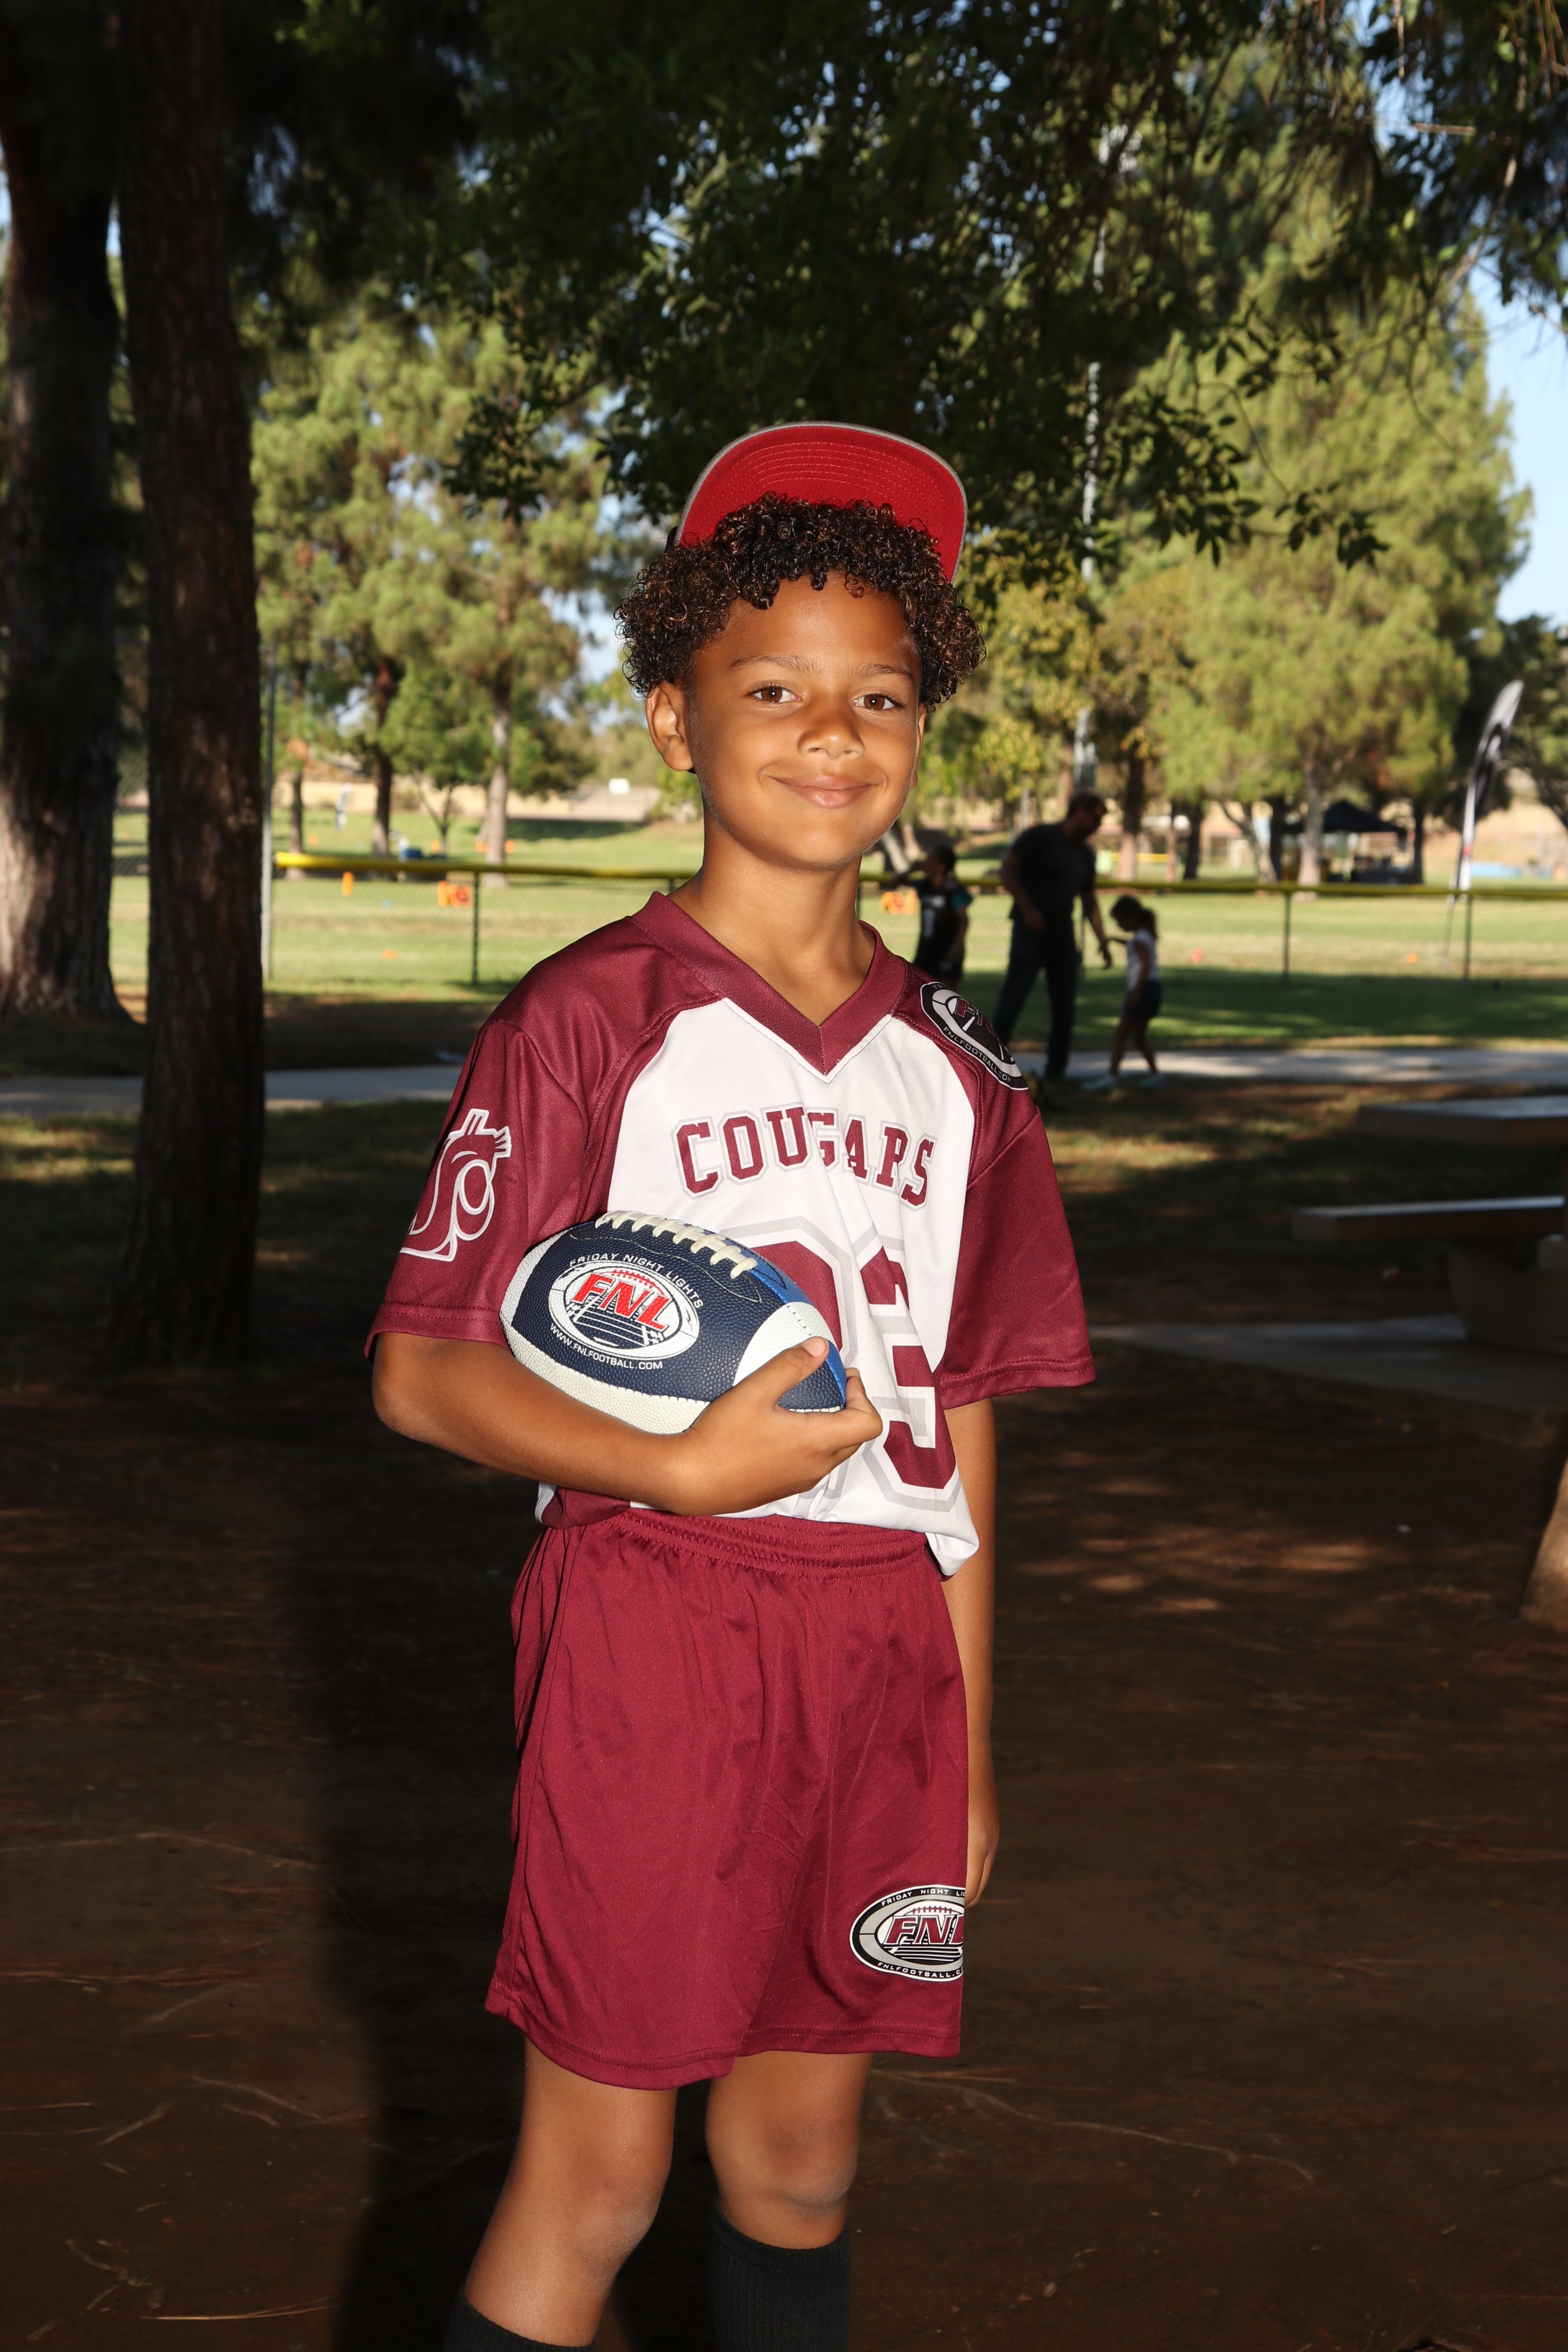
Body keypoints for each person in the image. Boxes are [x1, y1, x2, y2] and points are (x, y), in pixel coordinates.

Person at [368, 422, 1093, 2352]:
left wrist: (972, 1739)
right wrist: (678, 1471)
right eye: (771, 686)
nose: (830, 731)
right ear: (675, 717)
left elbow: (960, 1419)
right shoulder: (585, 1021)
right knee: (598, 2178)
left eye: (880, 693)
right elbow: (422, 1374)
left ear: (925, 725)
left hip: (882, 1648)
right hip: (654, 1623)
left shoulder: (963, 1073)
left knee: (800, 2163)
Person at [992, 790, 1113, 1079]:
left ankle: (1056, 1072)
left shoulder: (1085, 854)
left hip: (1062, 934)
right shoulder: (1041, 837)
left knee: (1065, 1007)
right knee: (1013, 1001)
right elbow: (1008, 871)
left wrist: (1103, 941)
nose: (1098, 826)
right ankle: (991, 1068)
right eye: (1096, 818)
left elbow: (1089, 900)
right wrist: (1029, 910)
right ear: (1080, 810)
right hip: (1030, 932)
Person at [1084, 893, 1164, 1091]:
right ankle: (1156, 1075)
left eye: (1121, 921)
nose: (1120, 926)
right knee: (1139, 1038)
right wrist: (1112, 940)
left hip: (1143, 990)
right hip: (1151, 990)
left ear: (1133, 917)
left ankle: (1112, 1076)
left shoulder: (1140, 939)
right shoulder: (1144, 936)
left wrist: (1136, 993)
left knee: (1121, 1035)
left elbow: (1145, 966)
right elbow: (1132, 945)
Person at [912, 836, 971, 982]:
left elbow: (963, 919)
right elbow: (897, 880)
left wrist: (957, 945)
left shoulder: (952, 890)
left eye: (930, 859)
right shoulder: (925, 885)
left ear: (941, 866)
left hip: (946, 946)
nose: (926, 862)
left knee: (947, 988)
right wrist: (913, 868)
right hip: (926, 948)